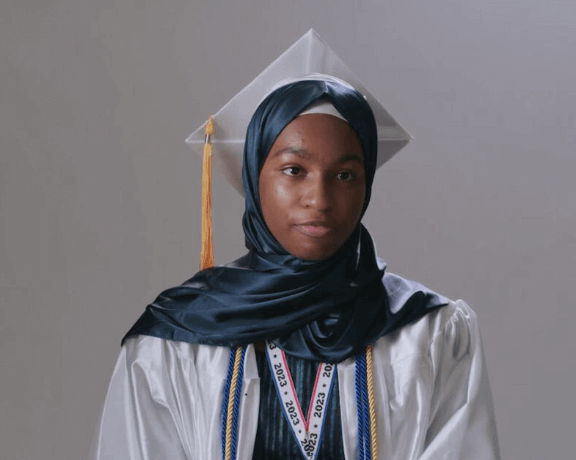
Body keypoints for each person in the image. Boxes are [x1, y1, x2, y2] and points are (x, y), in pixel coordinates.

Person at [90, 30, 499, 460]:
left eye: (344, 175)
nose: (319, 200)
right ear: (254, 177)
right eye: (294, 170)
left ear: (367, 185)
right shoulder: (174, 341)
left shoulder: (428, 333)